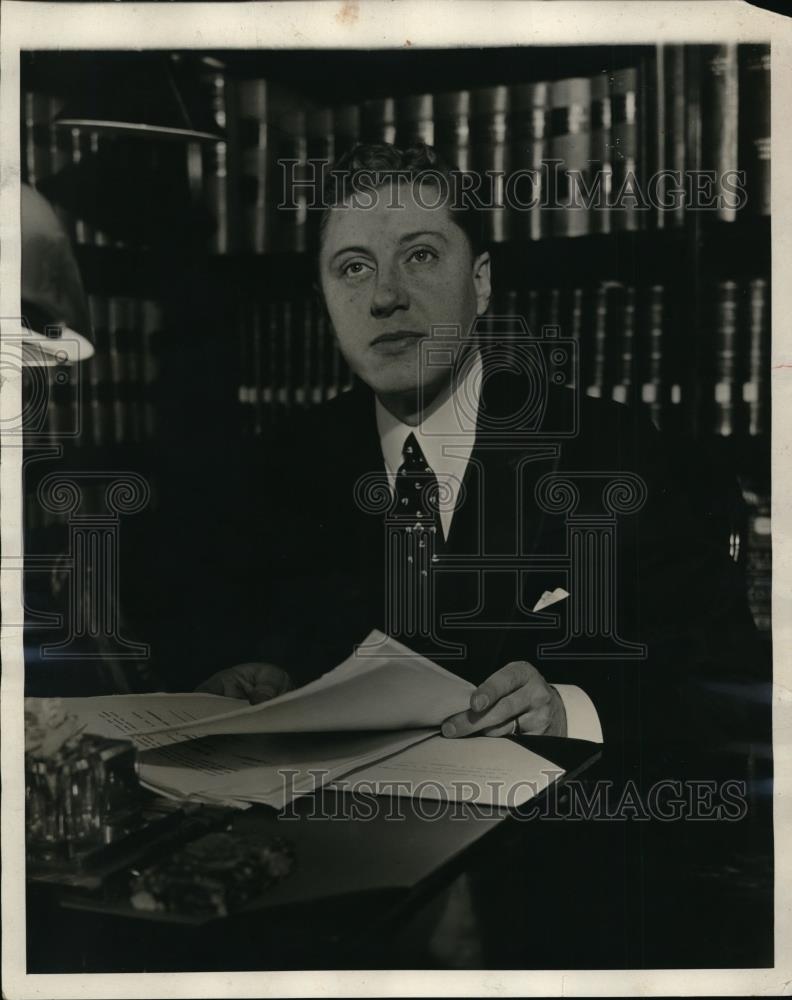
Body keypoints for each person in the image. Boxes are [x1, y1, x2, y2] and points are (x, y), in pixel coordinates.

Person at [198, 143, 766, 763]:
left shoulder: (610, 449)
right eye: (354, 268)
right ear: (324, 302)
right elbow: (235, 635)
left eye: (420, 256)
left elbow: (731, 687)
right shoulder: (281, 461)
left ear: (481, 281)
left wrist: (565, 707)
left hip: (538, 843)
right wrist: (257, 677)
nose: (385, 296)